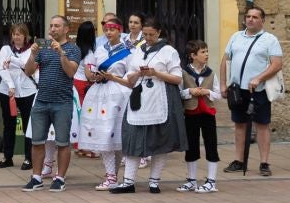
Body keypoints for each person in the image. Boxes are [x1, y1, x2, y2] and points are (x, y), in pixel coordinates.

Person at [119, 17, 186, 193]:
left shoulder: (168, 51)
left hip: (161, 97)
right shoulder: (138, 51)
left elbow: (177, 78)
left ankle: (154, 181)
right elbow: (130, 75)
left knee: (159, 140)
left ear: (159, 33)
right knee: (133, 137)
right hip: (140, 99)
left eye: (151, 34)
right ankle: (128, 182)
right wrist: (133, 76)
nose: (148, 38)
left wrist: (156, 73)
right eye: (145, 34)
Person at [222, 7, 284, 176]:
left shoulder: (270, 39)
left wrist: (259, 78)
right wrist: (222, 84)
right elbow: (225, 60)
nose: (250, 19)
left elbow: (276, 64)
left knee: (262, 125)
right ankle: (238, 160)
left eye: (255, 17)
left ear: (262, 20)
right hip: (237, 89)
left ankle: (264, 163)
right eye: (248, 16)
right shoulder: (235, 37)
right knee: (239, 124)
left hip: (259, 89)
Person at [80, 16, 138, 190]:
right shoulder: (99, 49)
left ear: (120, 30)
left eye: (112, 29)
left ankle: (119, 176)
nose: (108, 32)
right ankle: (111, 175)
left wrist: (114, 77)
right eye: (106, 29)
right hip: (100, 93)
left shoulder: (130, 51)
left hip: (120, 93)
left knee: (119, 134)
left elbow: (131, 74)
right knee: (104, 134)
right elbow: (89, 70)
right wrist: (94, 75)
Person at [22, 16, 80, 192]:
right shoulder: (43, 47)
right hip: (41, 101)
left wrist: (61, 53)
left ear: (66, 29)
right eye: (51, 25)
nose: (53, 29)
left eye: (57, 26)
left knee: (63, 142)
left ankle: (60, 178)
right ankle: (36, 177)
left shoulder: (73, 49)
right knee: (37, 141)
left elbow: (70, 72)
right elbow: (28, 71)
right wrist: (32, 54)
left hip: (62, 102)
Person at [178, 40, 223, 193]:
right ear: (193, 56)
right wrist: (190, 92)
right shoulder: (183, 72)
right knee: (191, 146)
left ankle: (211, 181)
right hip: (190, 113)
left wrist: (207, 92)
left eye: (207, 51)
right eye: (203, 52)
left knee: (211, 144)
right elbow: (179, 93)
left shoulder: (210, 73)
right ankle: (191, 180)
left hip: (207, 114)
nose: (206, 55)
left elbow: (218, 95)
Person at [0, 23, 36, 169]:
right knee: (9, 124)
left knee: (28, 125)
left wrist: (12, 60)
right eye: (14, 34)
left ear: (25, 36)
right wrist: (10, 85)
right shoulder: (5, 49)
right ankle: (7, 157)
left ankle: (29, 158)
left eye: (19, 34)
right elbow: (2, 68)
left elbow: (27, 67)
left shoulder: (32, 49)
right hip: (7, 91)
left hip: (27, 91)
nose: (16, 37)